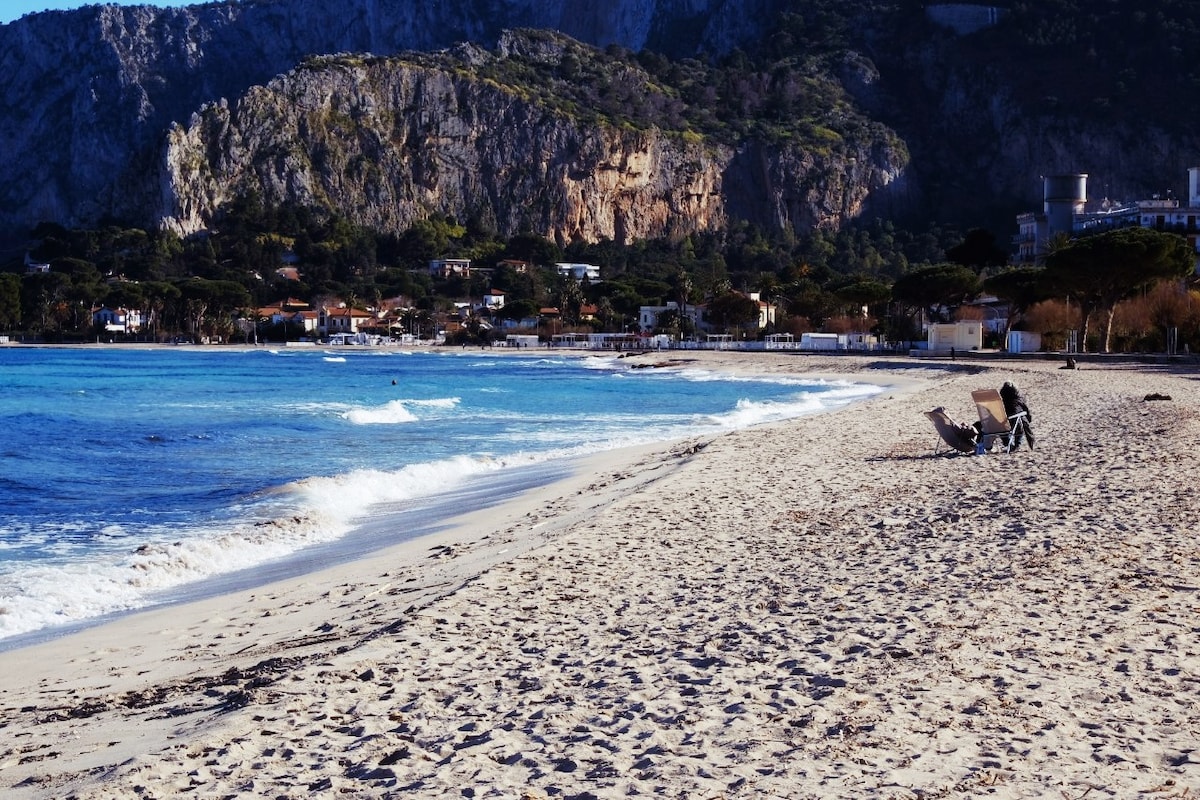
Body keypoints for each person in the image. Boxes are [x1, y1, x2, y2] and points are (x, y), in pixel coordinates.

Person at [999, 381, 1034, 450]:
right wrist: (1029, 419)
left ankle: (1008, 444)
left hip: (1002, 424)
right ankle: (1017, 445)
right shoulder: (1019, 399)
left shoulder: (1001, 402)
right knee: (1020, 427)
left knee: (1001, 430)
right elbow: (1026, 410)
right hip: (1014, 422)